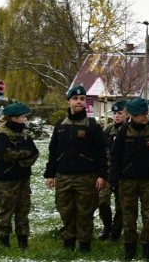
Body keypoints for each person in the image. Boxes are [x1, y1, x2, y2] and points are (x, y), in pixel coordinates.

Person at [44, 85, 108, 252]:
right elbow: (53, 151)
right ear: (69, 101)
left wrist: (102, 175)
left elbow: (102, 152)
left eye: (82, 99)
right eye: (75, 99)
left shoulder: (92, 125)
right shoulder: (61, 125)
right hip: (63, 176)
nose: (79, 102)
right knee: (66, 211)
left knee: (85, 213)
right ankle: (68, 243)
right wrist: (50, 174)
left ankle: (85, 245)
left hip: (86, 177)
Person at [109, 98, 149, 261]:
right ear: (133, 115)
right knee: (128, 215)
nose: (145, 117)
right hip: (127, 181)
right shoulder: (124, 131)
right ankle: (130, 247)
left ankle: (148, 247)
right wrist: (114, 177)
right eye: (142, 114)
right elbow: (115, 155)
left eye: (147, 113)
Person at [0, 103, 40, 249]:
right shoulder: (1, 135)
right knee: (5, 212)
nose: (25, 119)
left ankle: (23, 243)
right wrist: (25, 153)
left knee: (23, 212)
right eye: (23, 116)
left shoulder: (24, 134)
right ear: (14, 118)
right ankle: (4, 242)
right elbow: (8, 154)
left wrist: (22, 160)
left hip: (23, 179)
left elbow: (35, 153)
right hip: (5, 181)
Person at [98, 100, 127, 242]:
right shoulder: (108, 130)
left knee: (121, 204)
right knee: (102, 201)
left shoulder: (129, 130)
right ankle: (107, 227)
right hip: (108, 172)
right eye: (114, 113)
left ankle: (116, 230)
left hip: (123, 173)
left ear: (127, 114)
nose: (116, 116)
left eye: (120, 113)